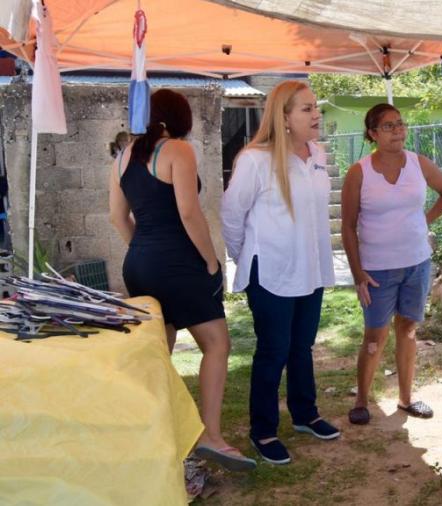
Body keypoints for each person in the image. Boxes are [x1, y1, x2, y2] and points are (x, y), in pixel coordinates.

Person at [108, 89, 255, 472]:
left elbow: (117, 217)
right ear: (179, 118)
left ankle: (155, 434)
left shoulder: (123, 155)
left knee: (161, 352)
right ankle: (210, 435)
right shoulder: (178, 151)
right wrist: (211, 261)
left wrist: (143, 250)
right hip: (178, 262)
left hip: (139, 262)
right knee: (217, 344)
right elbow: (189, 214)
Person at [221, 80, 339, 465]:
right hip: (270, 271)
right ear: (284, 118)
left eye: (315, 107)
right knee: (273, 351)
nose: (316, 114)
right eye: (306, 109)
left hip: (310, 268)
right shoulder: (255, 159)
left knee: (302, 346)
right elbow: (232, 217)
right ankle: (264, 430)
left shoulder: (317, 154)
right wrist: (248, 259)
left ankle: (306, 414)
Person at [341, 103, 442, 426]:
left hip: (416, 264)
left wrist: (424, 220)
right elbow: (348, 226)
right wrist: (358, 272)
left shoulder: (419, 164)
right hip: (376, 270)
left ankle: (405, 398)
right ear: (373, 134)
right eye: (388, 126)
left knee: (408, 330)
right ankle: (362, 400)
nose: (398, 130)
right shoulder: (358, 172)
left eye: (400, 124)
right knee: (375, 336)